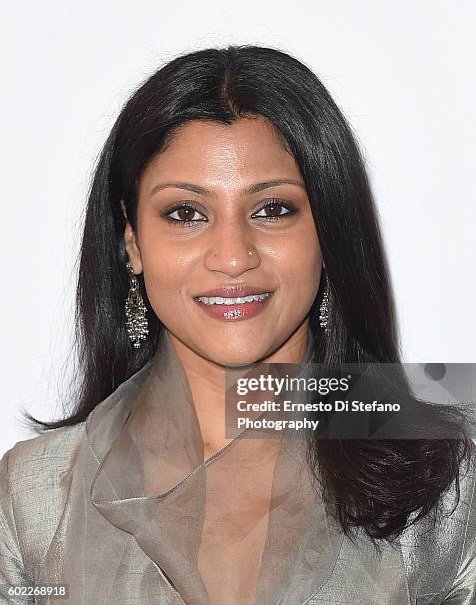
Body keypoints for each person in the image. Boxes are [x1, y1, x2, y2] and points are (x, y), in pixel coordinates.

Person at [1, 45, 475, 605]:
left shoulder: (446, 480)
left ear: (329, 236)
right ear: (132, 241)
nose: (232, 256)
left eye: (272, 210)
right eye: (186, 213)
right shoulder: (35, 499)